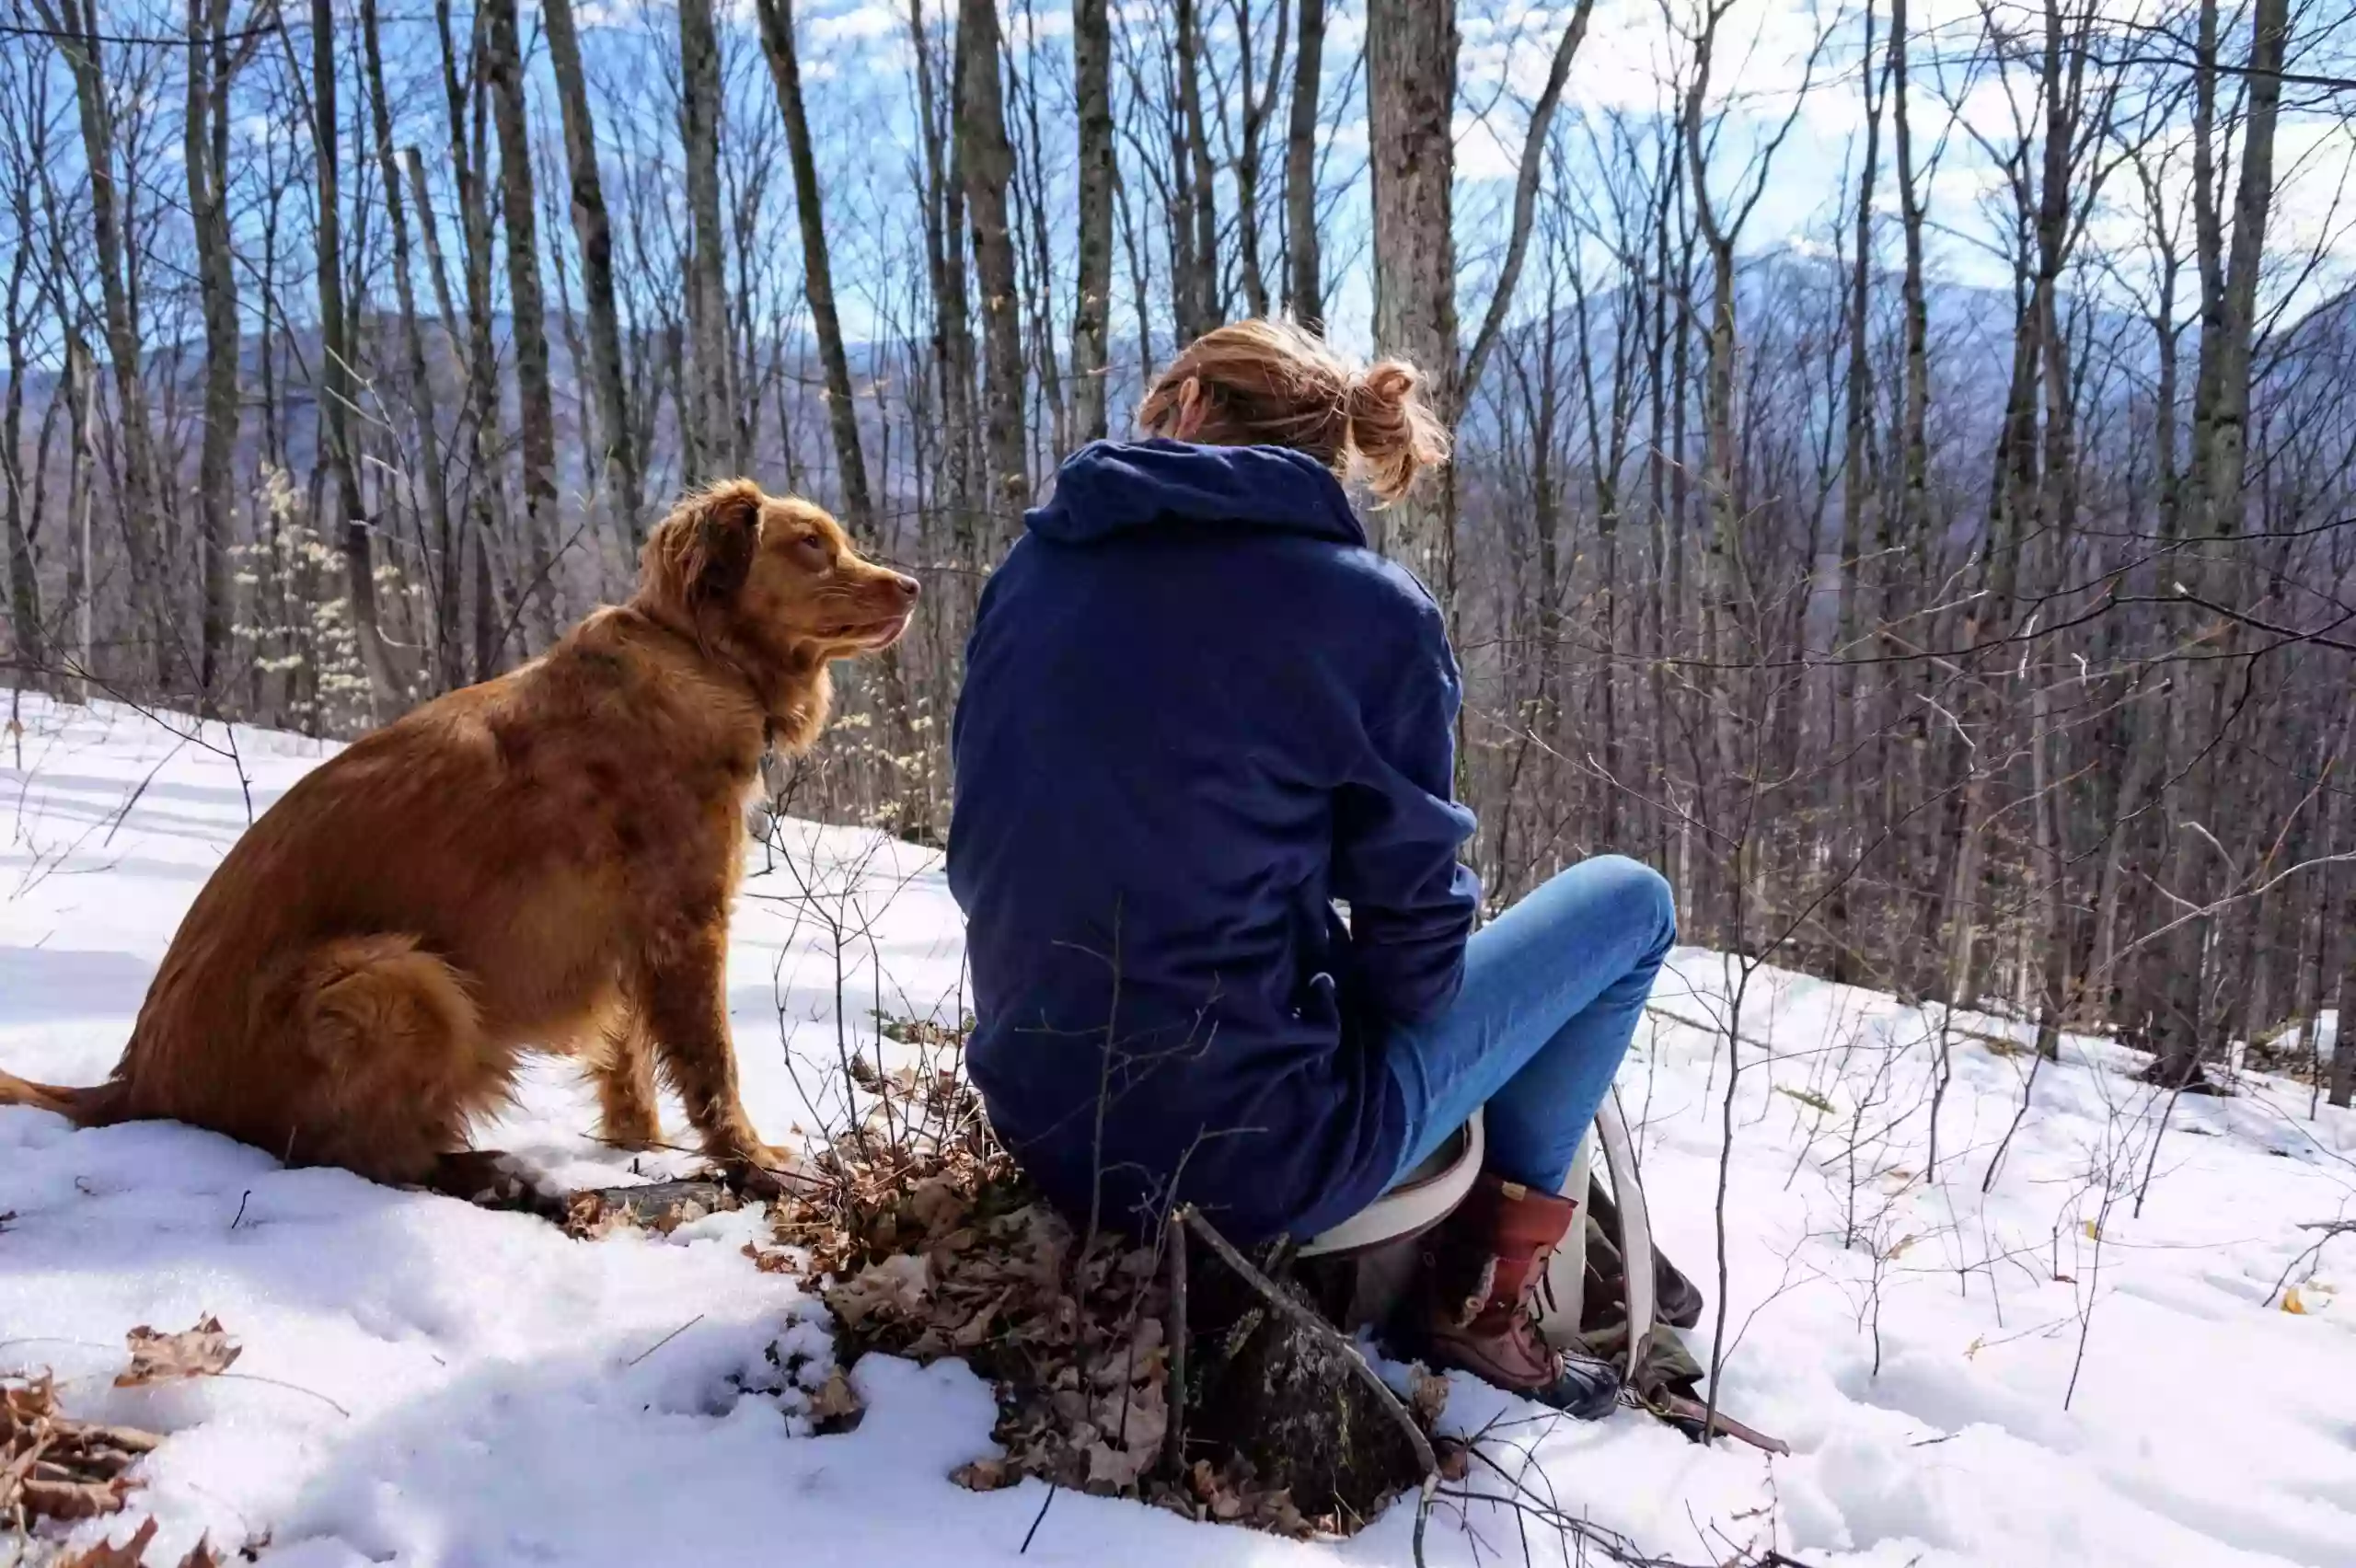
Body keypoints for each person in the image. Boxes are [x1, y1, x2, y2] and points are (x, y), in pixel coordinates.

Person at [947, 318, 1677, 1418]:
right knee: (1628, 901)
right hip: (1248, 1164)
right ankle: (1482, 1299)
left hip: (1041, 1117)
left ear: (1188, 411)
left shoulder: (1034, 571)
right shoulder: (1366, 610)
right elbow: (1417, 963)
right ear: (1334, 454)